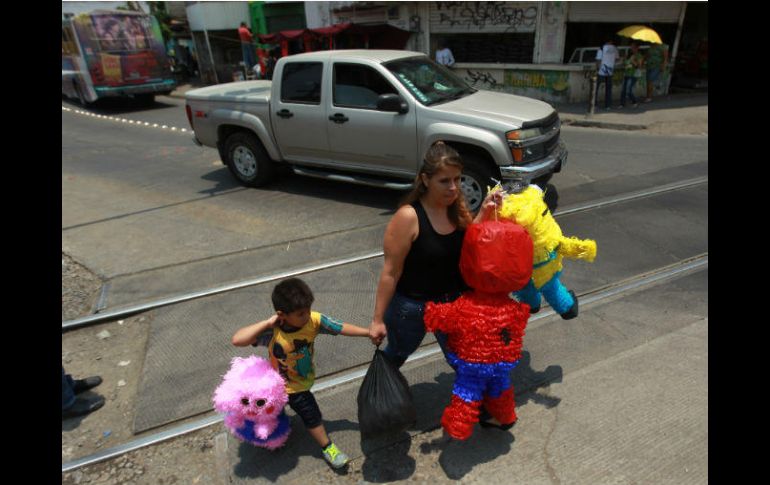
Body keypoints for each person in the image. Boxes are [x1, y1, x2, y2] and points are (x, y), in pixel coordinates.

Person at [367, 141, 502, 368]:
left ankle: (475, 401)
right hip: (412, 307)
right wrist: (377, 320)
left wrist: (485, 211)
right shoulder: (408, 217)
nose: (453, 187)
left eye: (457, 179)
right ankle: (377, 398)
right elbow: (390, 272)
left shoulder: (457, 209)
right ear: (425, 179)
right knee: (396, 355)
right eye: (444, 181)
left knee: (464, 361)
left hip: (453, 304)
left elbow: (468, 242)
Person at [231, 277, 370, 469]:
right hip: (272, 388)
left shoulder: (314, 320)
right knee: (266, 415)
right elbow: (238, 340)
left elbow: (341, 327)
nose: (306, 316)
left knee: (311, 415)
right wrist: (267, 323)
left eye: (307, 310)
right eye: (300, 314)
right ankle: (266, 435)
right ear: (282, 315)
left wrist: (368, 332)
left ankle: (327, 447)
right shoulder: (273, 332)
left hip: (298, 387)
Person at [594, 38, 619, 110]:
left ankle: (594, 104)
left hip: (601, 71)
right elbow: (617, 59)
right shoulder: (615, 48)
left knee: (596, 88)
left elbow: (598, 60)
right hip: (610, 71)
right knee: (608, 89)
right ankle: (608, 105)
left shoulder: (601, 48)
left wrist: (597, 68)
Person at [619, 42, 644, 108]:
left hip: (633, 75)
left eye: (633, 47)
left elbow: (639, 66)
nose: (632, 48)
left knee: (628, 90)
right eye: (631, 47)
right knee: (623, 90)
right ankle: (622, 104)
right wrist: (623, 60)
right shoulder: (629, 54)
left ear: (637, 48)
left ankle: (634, 101)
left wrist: (633, 61)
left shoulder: (639, 56)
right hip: (627, 74)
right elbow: (625, 64)